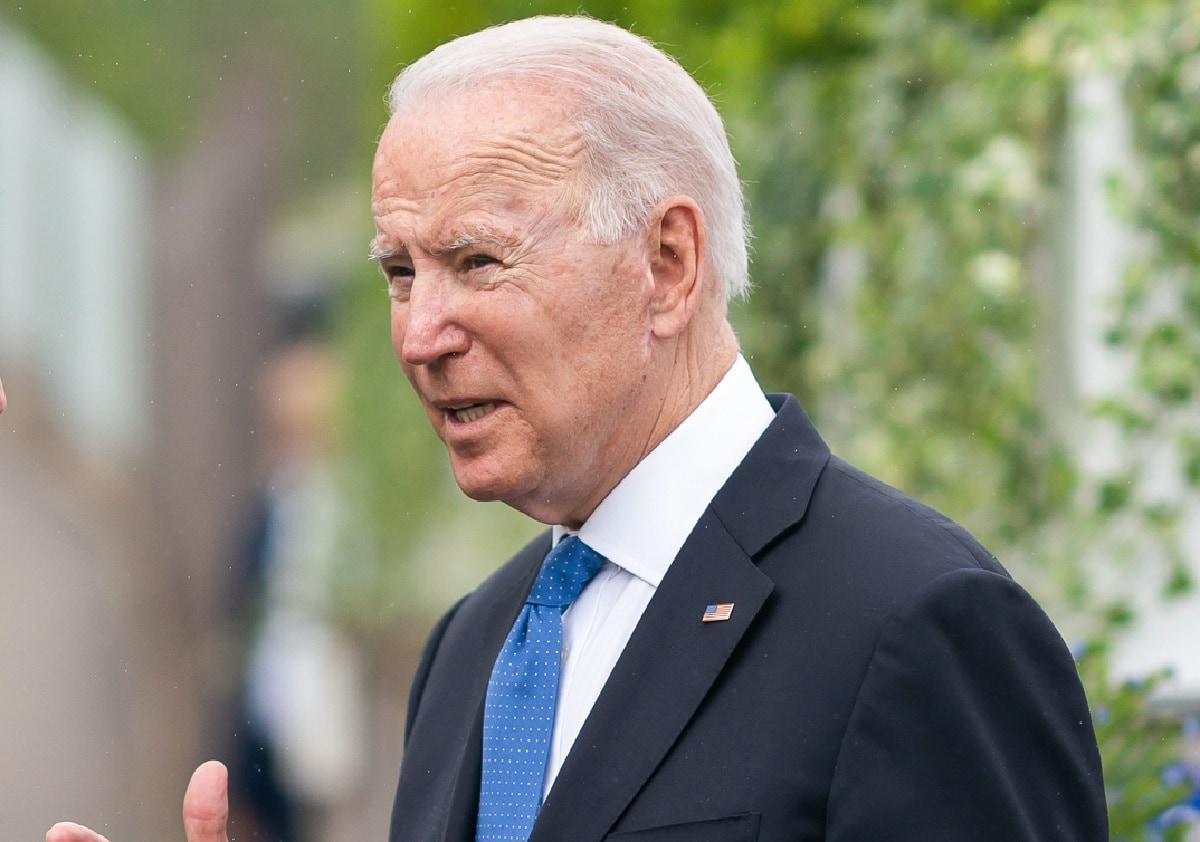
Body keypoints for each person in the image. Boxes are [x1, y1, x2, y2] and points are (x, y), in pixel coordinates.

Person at [49, 14, 1107, 842]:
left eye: (477, 262)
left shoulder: (915, 620)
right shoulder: (474, 645)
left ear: (668, 265)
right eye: (399, 272)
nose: (419, 334)